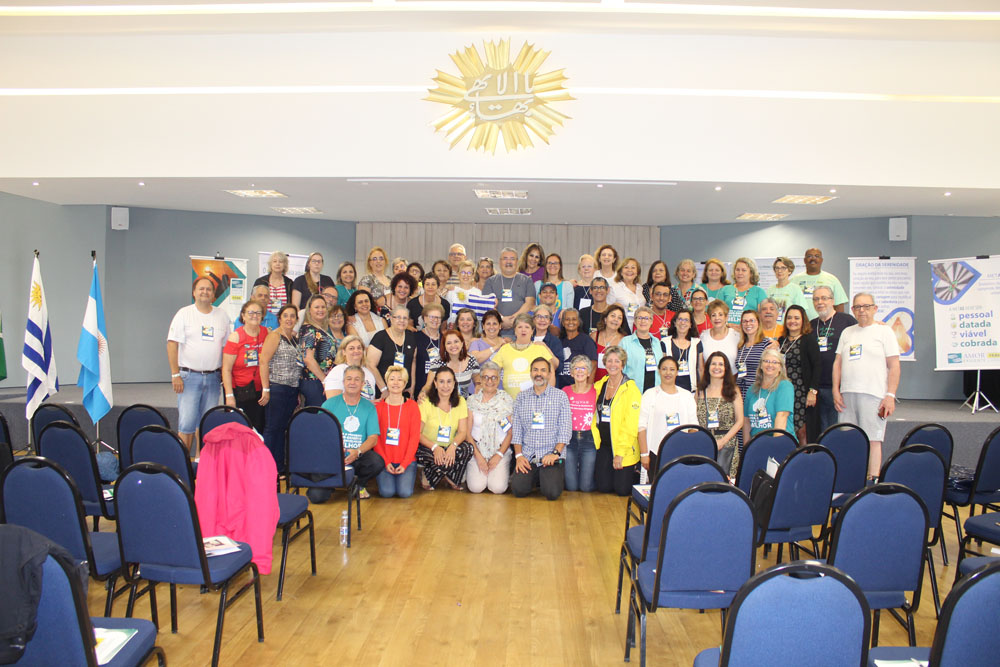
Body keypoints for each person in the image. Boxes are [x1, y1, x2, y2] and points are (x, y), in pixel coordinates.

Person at [833, 292, 900, 478]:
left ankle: (872, 481)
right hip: (847, 395)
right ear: (853, 310)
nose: (862, 310)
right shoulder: (848, 332)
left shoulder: (885, 331)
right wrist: (835, 390)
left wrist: (890, 395)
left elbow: (894, 366)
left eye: (866, 306)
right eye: (857, 307)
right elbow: (837, 364)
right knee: (848, 439)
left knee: (873, 440)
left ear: (875, 308)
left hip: (873, 395)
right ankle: (849, 480)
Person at [167, 276, 232, 451]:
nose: (205, 292)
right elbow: (172, 344)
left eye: (209, 289)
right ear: (194, 292)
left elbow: (227, 348)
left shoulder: (222, 316)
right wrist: (175, 375)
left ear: (213, 294)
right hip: (189, 378)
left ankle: (202, 463)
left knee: (207, 425)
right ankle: (185, 468)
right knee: (186, 425)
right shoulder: (184, 314)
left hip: (213, 379)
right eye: (201, 289)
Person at [315, 365, 385, 501]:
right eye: (349, 379)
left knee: (376, 462)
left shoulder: (369, 407)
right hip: (333, 457)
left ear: (363, 384)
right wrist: (335, 451)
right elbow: (319, 434)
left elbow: (373, 438)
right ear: (343, 382)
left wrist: (357, 452)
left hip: (357, 457)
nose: (352, 382)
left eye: (357, 379)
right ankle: (337, 482)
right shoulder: (329, 405)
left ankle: (357, 484)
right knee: (317, 497)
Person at [511, 357, 572, 500]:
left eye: (543, 370)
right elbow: (517, 430)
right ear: (531, 373)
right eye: (535, 370)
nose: (539, 373)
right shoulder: (521, 397)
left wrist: (555, 453)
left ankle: (544, 478)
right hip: (528, 455)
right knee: (518, 490)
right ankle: (536, 477)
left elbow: (565, 429)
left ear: (550, 374)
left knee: (551, 493)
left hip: (551, 455)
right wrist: (519, 456)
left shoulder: (560, 396)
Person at [591, 346, 642, 496]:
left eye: (617, 361)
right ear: (605, 363)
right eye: (609, 361)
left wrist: (620, 454)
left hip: (623, 446)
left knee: (622, 490)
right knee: (603, 487)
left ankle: (636, 472)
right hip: (604, 445)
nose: (613, 364)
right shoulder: (599, 385)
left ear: (622, 364)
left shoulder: (631, 389)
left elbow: (631, 424)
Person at [637, 356, 699, 481]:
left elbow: (694, 426)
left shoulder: (686, 395)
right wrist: (644, 454)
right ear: (659, 371)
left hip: (681, 452)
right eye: (664, 369)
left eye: (672, 369)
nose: (668, 372)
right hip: (655, 452)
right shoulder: (650, 394)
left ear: (677, 372)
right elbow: (641, 426)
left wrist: (691, 452)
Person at [810, 285, 857, 440]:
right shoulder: (811, 325)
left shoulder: (847, 321)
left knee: (837, 429)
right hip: (816, 387)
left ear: (833, 300)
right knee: (819, 430)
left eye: (824, 298)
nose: (820, 302)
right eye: (816, 299)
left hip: (839, 387)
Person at [415, 367, 474, 490]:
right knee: (428, 455)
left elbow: (463, 432)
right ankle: (450, 475)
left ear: (454, 384)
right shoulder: (425, 401)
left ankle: (432, 474)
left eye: (449, 381)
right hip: (428, 447)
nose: (445, 386)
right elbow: (417, 433)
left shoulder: (461, 401)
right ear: (435, 384)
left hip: (449, 446)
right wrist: (435, 447)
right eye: (441, 382)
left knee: (468, 448)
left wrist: (453, 446)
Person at [259, 304, 301, 470]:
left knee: (282, 427)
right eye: (285, 316)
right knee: (272, 428)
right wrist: (266, 388)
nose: (289, 319)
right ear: (279, 319)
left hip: (291, 389)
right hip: (276, 388)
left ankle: (279, 466)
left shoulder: (294, 338)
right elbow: (263, 361)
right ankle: (267, 466)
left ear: (296, 319)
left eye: (292, 316)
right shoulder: (274, 336)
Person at [465, 361, 514, 494]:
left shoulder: (505, 401)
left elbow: (509, 433)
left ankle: (502, 467)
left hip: (499, 449)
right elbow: (468, 433)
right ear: (480, 379)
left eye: (494, 377)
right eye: (485, 377)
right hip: (477, 449)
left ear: (498, 379)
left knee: (497, 488)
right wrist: (479, 457)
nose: (489, 381)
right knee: (476, 488)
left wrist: (498, 455)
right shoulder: (472, 401)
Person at [374, 365, 421, 498]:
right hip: (384, 460)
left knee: (404, 493)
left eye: (400, 380)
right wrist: (385, 461)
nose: (395, 383)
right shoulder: (378, 407)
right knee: (386, 493)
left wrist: (405, 463)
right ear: (386, 382)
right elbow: (376, 439)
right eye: (392, 379)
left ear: (405, 383)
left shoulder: (412, 406)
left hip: (406, 460)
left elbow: (414, 438)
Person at [221, 300, 269, 432]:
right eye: (251, 312)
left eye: (258, 313)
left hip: (260, 392)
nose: (255, 315)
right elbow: (226, 369)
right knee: (239, 429)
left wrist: (266, 388)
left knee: (258, 428)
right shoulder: (235, 337)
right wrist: (229, 396)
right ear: (243, 315)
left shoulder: (267, 334)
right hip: (239, 391)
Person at [696, 351, 745, 478]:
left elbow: (740, 421)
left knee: (724, 483)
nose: (717, 367)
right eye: (713, 364)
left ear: (726, 368)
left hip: (727, 445)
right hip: (704, 444)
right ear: (708, 367)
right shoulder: (700, 391)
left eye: (721, 364)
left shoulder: (733, 391)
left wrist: (723, 441)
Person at [779, 305, 821, 445]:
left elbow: (817, 366)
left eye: (797, 318)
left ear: (803, 320)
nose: (792, 321)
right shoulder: (781, 341)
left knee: (802, 430)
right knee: (785, 426)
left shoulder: (808, 340)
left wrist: (812, 391)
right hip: (783, 391)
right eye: (789, 317)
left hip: (801, 391)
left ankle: (804, 459)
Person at [492, 313, 556, 397]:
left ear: (532, 331)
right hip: (509, 400)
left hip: (535, 400)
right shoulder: (504, 349)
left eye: (527, 327)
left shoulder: (540, 349)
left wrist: (548, 396)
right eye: (520, 327)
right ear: (514, 330)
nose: (523, 330)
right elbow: (492, 370)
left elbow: (551, 373)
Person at [743, 348, 795, 441]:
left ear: (780, 367)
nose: (770, 365)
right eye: (766, 361)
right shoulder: (752, 389)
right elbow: (746, 421)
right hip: (757, 442)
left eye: (775, 362)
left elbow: (782, 416)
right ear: (761, 366)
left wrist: (774, 446)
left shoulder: (784, 386)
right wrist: (746, 449)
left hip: (780, 441)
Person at [483, 247, 536, 337]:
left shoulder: (527, 280)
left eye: (512, 259)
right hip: (495, 333)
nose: (508, 262)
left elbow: (530, 304)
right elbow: (487, 304)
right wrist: (501, 319)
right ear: (499, 262)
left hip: (521, 333)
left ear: (517, 261)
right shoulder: (490, 281)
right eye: (505, 258)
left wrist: (514, 320)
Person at [562, 355, 597, 491]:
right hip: (569, 440)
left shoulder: (596, 391)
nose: (580, 371)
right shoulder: (565, 391)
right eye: (576, 368)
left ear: (588, 372)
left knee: (585, 488)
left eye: (584, 368)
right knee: (571, 487)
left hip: (589, 440)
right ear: (571, 373)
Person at [366, 305, 417, 398]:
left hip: (405, 391)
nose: (402, 320)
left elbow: (413, 362)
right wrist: (384, 389)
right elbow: (370, 365)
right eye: (398, 317)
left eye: (405, 318)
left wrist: (412, 386)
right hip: (384, 392)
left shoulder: (411, 337)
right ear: (391, 319)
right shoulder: (380, 337)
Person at [297, 295, 337, 406]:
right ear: (309, 310)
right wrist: (324, 380)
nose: (321, 310)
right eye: (317, 307)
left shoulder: (321, 328)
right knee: (317, 416)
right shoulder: (308, 329)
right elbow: (308, 359)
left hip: (321, 380)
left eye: (323, 307)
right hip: (314, 380)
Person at [620, 306, 668, 393]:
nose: (643, 321)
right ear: (634, 321)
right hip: (632, 392)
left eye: (646, 318)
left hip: (655, 392)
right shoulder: (625, 342)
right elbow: (620, 369)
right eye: (639, 318)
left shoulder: (657, 342)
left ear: (651, 322)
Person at [793, 248, 849, 320]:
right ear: (804, 260)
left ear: (821, 260)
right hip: (800, 325)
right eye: (809, 256)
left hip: (825, 325)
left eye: (817, 256)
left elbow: (839, 305)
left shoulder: (832, 280)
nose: (813, 258)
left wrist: (836, 324)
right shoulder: (794, 280)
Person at [425, 330, 481, 398]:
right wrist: (423, 393)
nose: (453, 345)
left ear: (462, 343)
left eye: (456, 341)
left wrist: (478, 386)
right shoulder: (437, 362)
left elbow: (477, 379)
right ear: (444, 346)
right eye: (449, 343)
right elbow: (428, 385)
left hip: (465, 404)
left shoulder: (471, 360)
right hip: (442, 403)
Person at [735, 309, 776, 401]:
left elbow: (774, 371)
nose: (748, 324)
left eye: (752, 320)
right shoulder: (741, 345)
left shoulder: (766, 344)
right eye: (744, 321)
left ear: (758, 323)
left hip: (758, 393)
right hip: (740, 393)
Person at [324, 335, 378, 401]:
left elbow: (371, 399)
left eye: (359, 348)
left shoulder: (368, 373)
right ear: (343, 352)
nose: (356, 351)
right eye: (351, 348)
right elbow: (333, 402)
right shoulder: (337, 371)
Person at [718, 257, 768, 327]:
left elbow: (764, 316)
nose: (740, 273)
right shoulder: (725, 290)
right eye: (737, 270)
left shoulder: (759, 292)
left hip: (749, 331)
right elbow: (716, 311)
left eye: (744, 270)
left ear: (751, 273)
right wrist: (727, 325)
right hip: (727, 330)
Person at [558, 308, 597, 388]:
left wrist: (588, 388)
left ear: (579, 322)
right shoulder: (559, 341)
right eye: (567, 319)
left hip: (579, 389)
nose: (571, 322)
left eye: (574, 319)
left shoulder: (586, 340)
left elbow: (593, 365)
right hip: (561, 389)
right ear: (562, 323)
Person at [412, 303, 444, 396]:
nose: (435, 320)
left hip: (442, 389)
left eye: (438, 317)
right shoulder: (415, 338)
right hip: (420, 387)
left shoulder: (445, 339)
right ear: (424, 318)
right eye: (431, 317)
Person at [591, 304, 629, 382]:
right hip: (594, 382)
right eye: (613, 316)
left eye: (619, 318)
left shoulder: (625, 340)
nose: (616, 319)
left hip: (615, 383)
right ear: (605, 319)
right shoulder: (594, 336)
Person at [699, 299, 740, 372]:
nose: (717, 318)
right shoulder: (703, 336)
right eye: (713, 315)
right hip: (710, 381)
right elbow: (700, 366)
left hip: (732, 380)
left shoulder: (736, 336)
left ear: (726, 317)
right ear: (710, 318)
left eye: (720, 314)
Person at [667, 309, 702, 392]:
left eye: (686, 320)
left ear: (690, 324)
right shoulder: (665, 342)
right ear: (675, 323)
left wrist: (700, 390)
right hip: (670, 390)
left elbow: (701, 369)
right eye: (680, 319)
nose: (683, 323)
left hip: (692, 391)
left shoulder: (697, 343)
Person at [766, 256, 807, 324]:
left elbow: (801, 312)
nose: (779, 271)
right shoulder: (770, 290)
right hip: (772, 328)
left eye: (783, 268)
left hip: (789, 328)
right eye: (777, 268)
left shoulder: (795, 289)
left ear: (789, 271)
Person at [253, 250, 293, 316]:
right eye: (274, 261)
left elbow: (292, 304)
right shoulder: (260, 281)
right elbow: (253, 301)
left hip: (284, 321)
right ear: (270, 264)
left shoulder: (289, 283)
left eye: (280, 262)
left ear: (284, 265)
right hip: (263, 320)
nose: (277, 264)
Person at [608, 257, 644, 328]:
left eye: (633, 267)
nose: (629, 270)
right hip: (622, 328)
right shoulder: (614, 288)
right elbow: (608, 310)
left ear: (637, 272)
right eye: (626, 267)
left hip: (640, 328)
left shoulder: (640, 288)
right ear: (621, 272)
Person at [532, 305, 564, 372]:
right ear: (534, 320)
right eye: (539, 316)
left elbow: (559, 367)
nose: (542, 320)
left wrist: (545, 348)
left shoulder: (555, 341)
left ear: (550, 321)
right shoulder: (528, 338)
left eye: (546, 317)